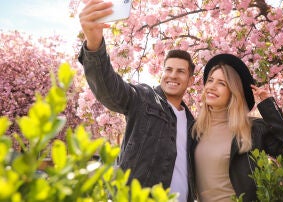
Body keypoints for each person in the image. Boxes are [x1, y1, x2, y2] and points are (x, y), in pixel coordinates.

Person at [77, 1, 196, 201]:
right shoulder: (143, 98)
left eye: (180, 71)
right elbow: (110, 89)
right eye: (168, 69)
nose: (172, 75)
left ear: (190, 80)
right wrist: (94, 43)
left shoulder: (194, 124)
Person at [190, 54, 283, 202]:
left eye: (221, 83)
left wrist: (268, 106)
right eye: (210, 80)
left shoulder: (253, 129)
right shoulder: (194, 130)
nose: (211, 86)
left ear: (233, 92)